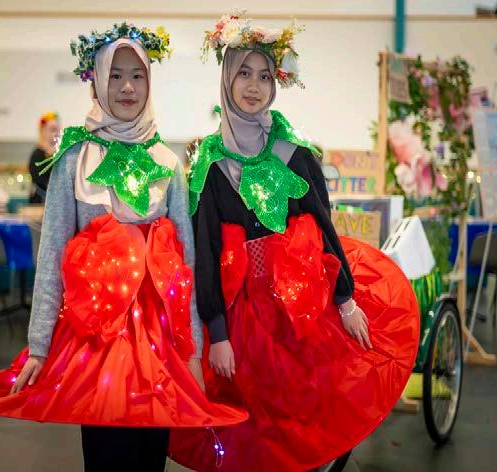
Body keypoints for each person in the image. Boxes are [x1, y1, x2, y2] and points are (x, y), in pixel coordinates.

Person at [0, 22, 246, 472]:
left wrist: (191, 353)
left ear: (150, 82)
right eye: (116, 75)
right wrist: (39, 345)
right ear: (96, 81)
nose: (127, 87)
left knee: (151, 453)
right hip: (95, 339)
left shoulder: (166, 162)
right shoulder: (74, 158)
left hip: (158, 341)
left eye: (137, 75)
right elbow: (52, 254)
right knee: (106, 451)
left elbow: (184, 264)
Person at [169, 12, 420, 471]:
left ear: (276, 83)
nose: (254, 86)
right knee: (256, 429)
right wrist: (217, 336)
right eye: (243, 73)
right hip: (243, 319)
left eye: (265, 76)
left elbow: (324, 232)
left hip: (304, 311)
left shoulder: (297, 153)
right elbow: (204, 254)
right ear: (226, 78)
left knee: (305, 417)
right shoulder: (207, 164)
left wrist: (346, 301)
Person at [28, 112, 60, 203]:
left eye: (58, 130)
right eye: (53, 130)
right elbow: (41, 182)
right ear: (43, 131)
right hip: (41, 202)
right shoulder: (37, 155)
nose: (56, 133)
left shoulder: (60, 154)